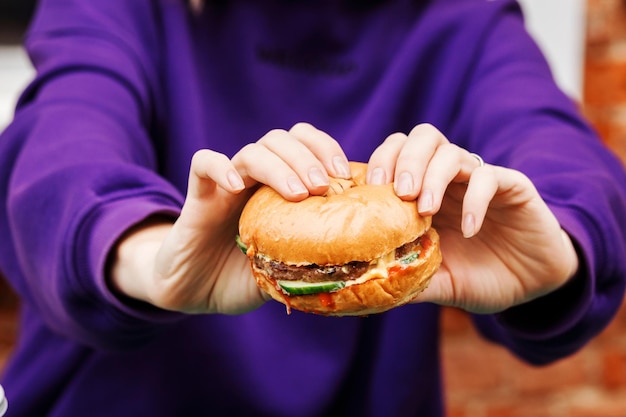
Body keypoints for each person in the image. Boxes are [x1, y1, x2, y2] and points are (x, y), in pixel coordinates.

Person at [0, 0, 625, 415]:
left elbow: (555, 144)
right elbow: (60, 148)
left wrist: (564, 249)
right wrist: (149, 257)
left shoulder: (467, 22)